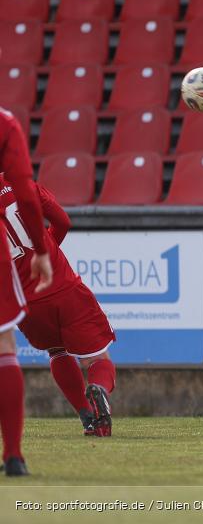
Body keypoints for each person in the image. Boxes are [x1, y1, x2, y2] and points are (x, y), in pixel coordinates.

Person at [0, 176, 117, 438]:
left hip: (27, 301)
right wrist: (47, 249)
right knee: (97, 359)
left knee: (56, 351)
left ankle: (87, 417)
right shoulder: (21, 184)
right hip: (63, 286)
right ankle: (98, 389)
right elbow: (62, 221)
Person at [0, 108, 53, 477]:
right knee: (4, 346)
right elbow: (26, 193)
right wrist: (42, 250)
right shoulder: (4, 122)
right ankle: (14, 456)